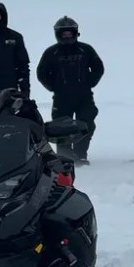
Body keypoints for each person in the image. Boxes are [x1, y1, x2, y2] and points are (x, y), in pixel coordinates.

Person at [37, 16, 105, 162]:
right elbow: (41, 73)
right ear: (58, 34)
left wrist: (89, 83)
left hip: (84, 96)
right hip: (61, 98)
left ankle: (80, 155)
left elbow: (98, 68)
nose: (67, 36)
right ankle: (64, 157)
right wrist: (54, 87)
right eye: (64, 33)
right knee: (61, 128)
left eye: (69, 33)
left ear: (75, 33)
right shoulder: (51, 52)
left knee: (87, 125)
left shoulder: (85, 50)